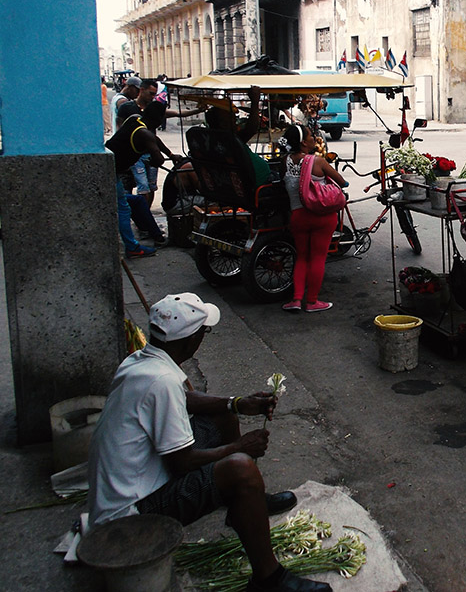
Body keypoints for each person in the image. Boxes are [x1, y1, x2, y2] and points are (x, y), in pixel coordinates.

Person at [87, 293, 330, 592]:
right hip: (130, 518)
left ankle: (246, 504)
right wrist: (241, 447)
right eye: (204, 332)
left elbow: (185, 399)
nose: (204, 337)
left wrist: (237, 404)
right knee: (240, 468)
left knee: (222, 414)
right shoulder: (160, 381)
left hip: (139, 483)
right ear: (190, 341)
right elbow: (182, 462)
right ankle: (269, 579)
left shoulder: (142, 362)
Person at [279, 124, 348, 313]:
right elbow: (342, 181)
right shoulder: (317, 161)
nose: (313, 139)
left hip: (298, 217)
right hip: (322, 217)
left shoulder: (285, 161)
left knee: (302, 257)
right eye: (310, 136)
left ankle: (295, 299)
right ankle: (312, 302)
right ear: (303, 142)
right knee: (318, 258)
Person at [106, 102, 177, 258]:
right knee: (124, 209)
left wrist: (171, 155)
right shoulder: (144, 134)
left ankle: (155, 236)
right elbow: (158, 160)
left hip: (110, 170)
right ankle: (132, 247)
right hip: (109, 173)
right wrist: (157, 159)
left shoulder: (136, 119)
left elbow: (155, 141)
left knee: (135, 202)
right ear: (158, 119)